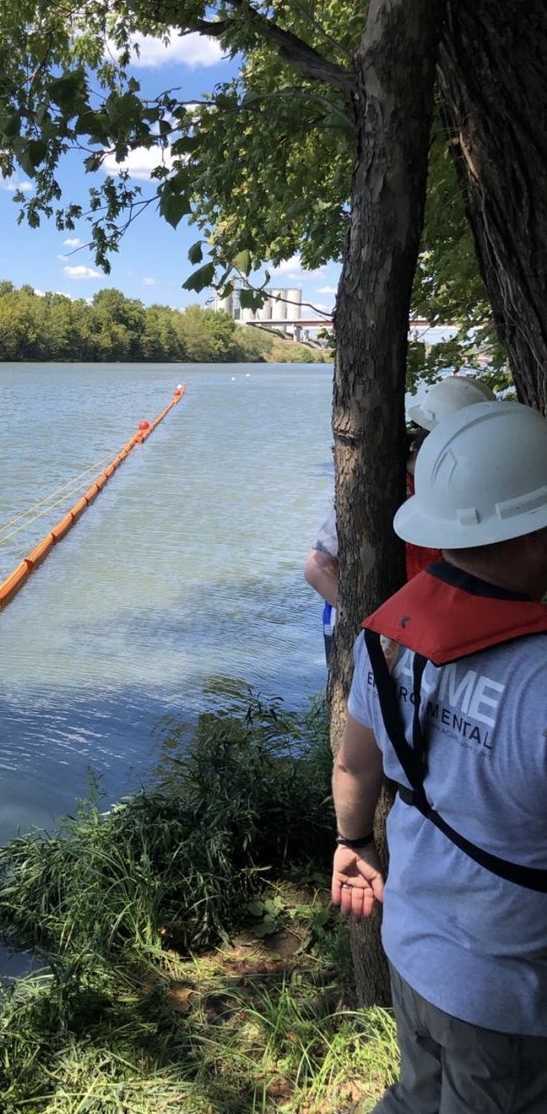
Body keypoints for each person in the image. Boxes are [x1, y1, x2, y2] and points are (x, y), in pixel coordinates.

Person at [331, 400, 547, 1112]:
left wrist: (352, 842)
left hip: (414, 948)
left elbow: (355, 765)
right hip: (504, 996)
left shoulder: (387, 636)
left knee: (414, 1096)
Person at [304, 375, 495, 658]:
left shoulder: (473, 494)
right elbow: (317, 568)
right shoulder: (380, 489)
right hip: (373, 637)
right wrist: (388, 632)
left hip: (435, 638)